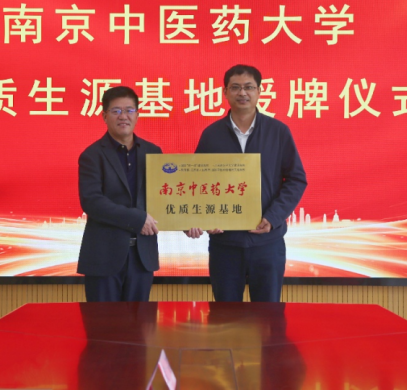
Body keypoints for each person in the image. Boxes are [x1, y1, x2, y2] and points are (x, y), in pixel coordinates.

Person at [186, 65, 307, 302]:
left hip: (267, 243)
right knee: (225, 317)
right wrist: (204, 218)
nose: (242, 93)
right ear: (225, 92)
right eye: (236, 87)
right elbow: (198, 183)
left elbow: (296, 179)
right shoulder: (211, 135)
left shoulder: (278, 132)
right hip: (225, 245)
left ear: (259, 91)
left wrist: (273, 217)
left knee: (267, 316)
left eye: (249, 87)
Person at [77, 86, 162, 302]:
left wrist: (189, 222)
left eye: (129, 110)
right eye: (116, 111)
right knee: (103, 322)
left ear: (138, 114)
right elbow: (92, 202)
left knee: (140, 321)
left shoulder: (154, 153)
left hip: (142, 256)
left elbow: (164, 197)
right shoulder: (92, 155)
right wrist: (137, 218)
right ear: (104, 116)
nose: (123, 116)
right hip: (104, 257)